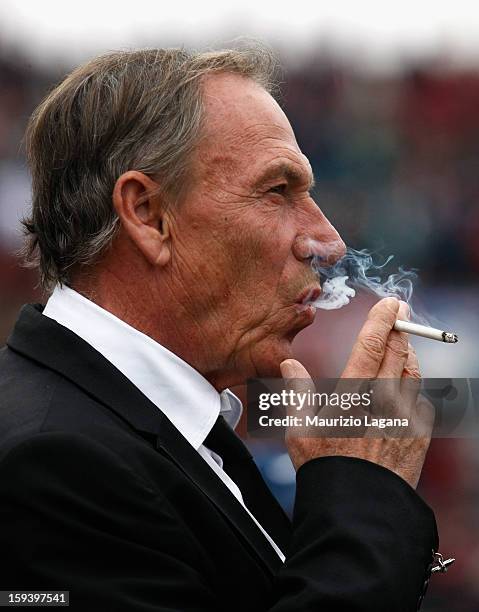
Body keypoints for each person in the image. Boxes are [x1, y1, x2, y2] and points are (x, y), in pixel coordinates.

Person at [0, 46, 438, 611]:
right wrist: (363, 505)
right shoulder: (54, 466)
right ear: (149, 215)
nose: (328, 242)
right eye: (278, 192)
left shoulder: (153, 428)